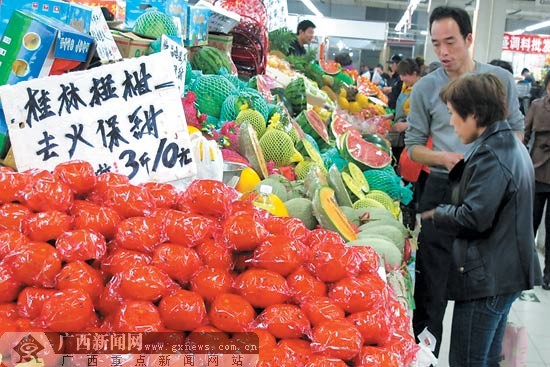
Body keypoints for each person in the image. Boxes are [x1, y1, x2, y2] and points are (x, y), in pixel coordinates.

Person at [404, 6, 525, 357]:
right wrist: (444, 157)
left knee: (486, 285)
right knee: (432, 287)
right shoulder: (427, 87)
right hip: (443, 188)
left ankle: (484, 354)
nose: (443, 52)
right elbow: (413, 148)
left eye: (451, 42)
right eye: (436, 44)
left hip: (491, 193)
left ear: (469, 39)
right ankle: (425, 356)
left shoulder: (499, 81)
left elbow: (516, 131)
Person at [422, 73, 540, 367]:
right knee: (485, 359)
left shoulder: (492, 154)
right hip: (504, 272)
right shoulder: (509, 145)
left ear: (474, 114)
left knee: (467, 361)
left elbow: (475, 216)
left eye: (453, 114)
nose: (450, 123)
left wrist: (438, 213)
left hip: (486, 276)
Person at [524, 71, 550, 290]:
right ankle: (525, 269)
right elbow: (523, 134)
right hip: (537, 168)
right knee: (529, 224)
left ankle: (549, 275)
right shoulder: (537, 105)